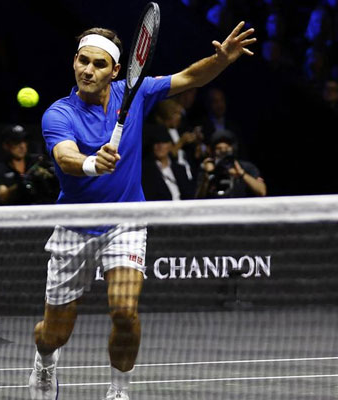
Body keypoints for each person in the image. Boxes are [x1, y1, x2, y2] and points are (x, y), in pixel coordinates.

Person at [30, 22, 256, 400]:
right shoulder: (59, 113)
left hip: (125, 220)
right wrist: (90, 164)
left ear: (115, 70)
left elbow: (189, 78)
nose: (88, 70)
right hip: (75, 227)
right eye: (82, 61)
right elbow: (64, 156)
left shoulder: (134, 93)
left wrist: (221, 61)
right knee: (54, 333)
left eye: (98, 64)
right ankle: (45, 361)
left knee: (124, 311)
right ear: (74, 63)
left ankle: (118, 391)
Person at [0, 124, 57, 205]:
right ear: (6, 145)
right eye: (16, 142)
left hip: (43, 206)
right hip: (16, 210)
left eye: (24, 141)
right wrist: (22, 184)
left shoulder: (39, 161)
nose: (22, 146)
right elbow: (3, 197)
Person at [195, 130, 267, 199]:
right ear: (213, 151)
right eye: (219, 148)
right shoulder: (208, 168)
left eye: (226, 148)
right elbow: (198, 198)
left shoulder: (246, 167)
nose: (223, 151)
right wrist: (207, 175)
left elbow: (262, 192)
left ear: (233, 149)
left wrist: (242, 174)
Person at [141, 125, 195, 201]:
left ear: (170, 145)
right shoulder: (146, 171)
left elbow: (189, 195)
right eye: (156, 142)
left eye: (163, 142)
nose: (160, 146)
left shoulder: (180, 169)